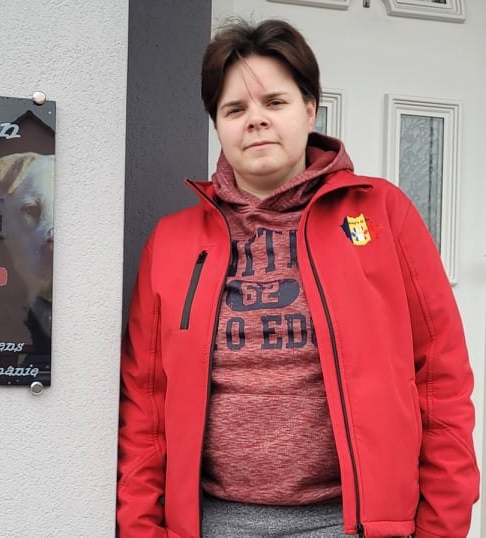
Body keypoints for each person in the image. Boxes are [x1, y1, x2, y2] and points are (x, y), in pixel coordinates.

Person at [117, 18, 479, 538]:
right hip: (214, 522)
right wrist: (142, 529)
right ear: (217, 124)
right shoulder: (173, 242)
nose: (256, 120)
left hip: (349, 524)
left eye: (275, 102)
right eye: (235, 109)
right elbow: (145, 404)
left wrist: (442, 526)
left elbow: (439, 381)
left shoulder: (383, 214)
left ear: (310, 108)